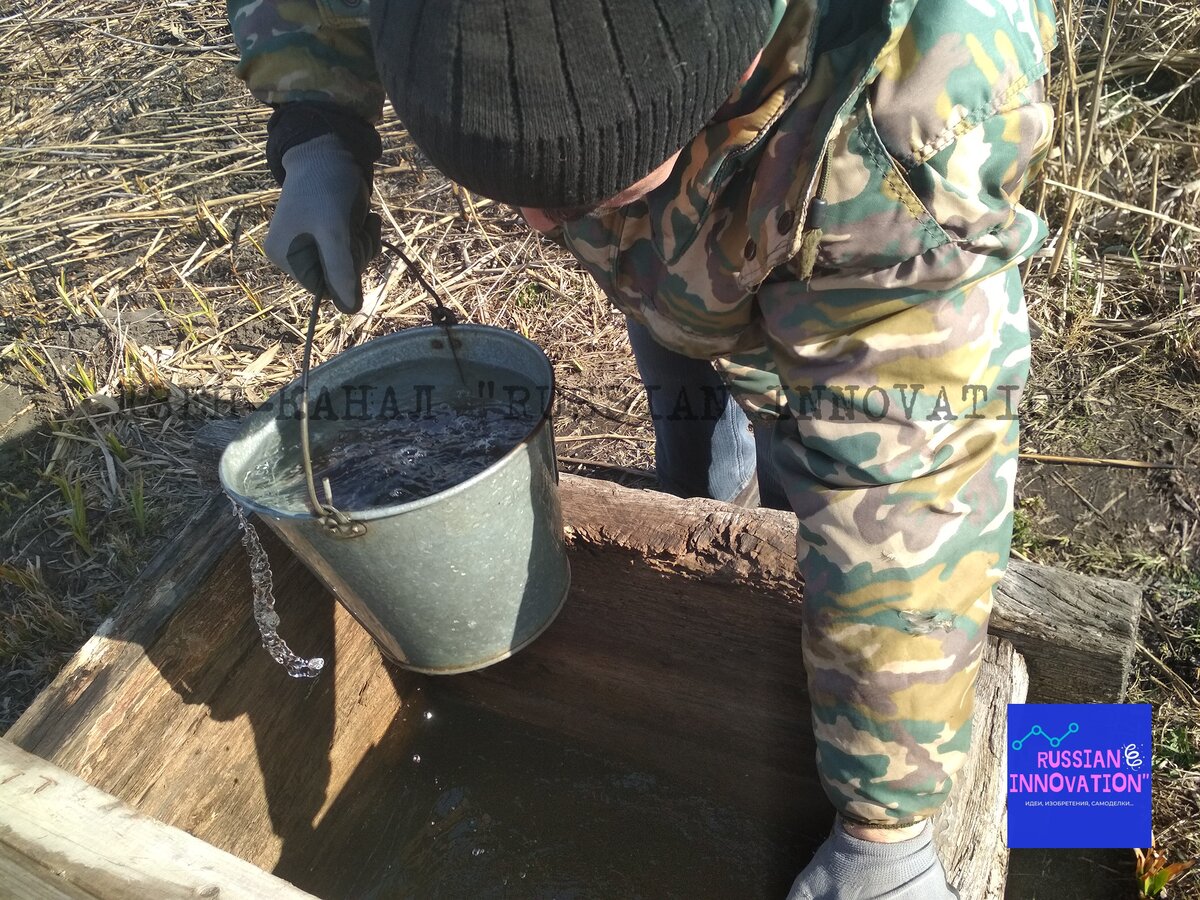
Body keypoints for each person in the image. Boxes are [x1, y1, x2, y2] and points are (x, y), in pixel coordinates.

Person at [229, 1, 1058, 896]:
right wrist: (320, 129)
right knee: (696, 450)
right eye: (519, 193)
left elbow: (911, 470)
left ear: (722, 79)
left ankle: (1082, 840)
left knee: (871, 538)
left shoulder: (913, 130)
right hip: (692, 252)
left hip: (829, 213)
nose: (543, 226)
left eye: (592, 190)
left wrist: (886, 830)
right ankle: (716, 503)